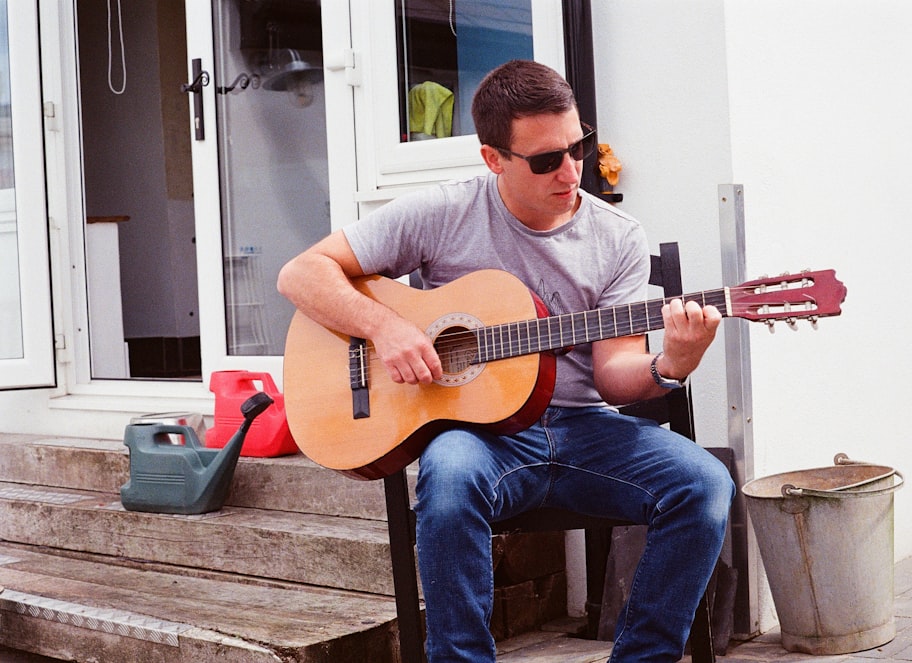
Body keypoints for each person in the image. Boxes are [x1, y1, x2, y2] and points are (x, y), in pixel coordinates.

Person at [277, 59, 735, 663]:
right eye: (546, 159)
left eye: (578, 148)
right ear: (494, 158)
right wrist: (384, 326)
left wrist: (670, 364)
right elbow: (301, 273)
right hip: (481, 435)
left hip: (585, 429)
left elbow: (613, 375)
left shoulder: (617, 237)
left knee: (704, 485)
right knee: (447, 486)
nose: (571, 171)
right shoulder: (442, 212)